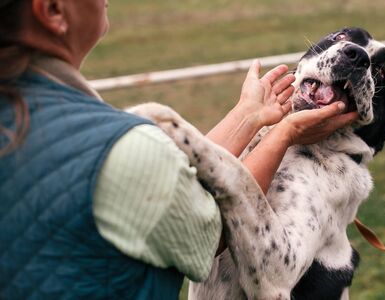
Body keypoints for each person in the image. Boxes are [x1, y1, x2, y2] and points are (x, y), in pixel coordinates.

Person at [0, 0, 358, 299]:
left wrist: (247, 118)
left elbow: (172, 178)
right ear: (52, 11)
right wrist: (283, 134)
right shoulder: (118, 146)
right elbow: (220, 226)